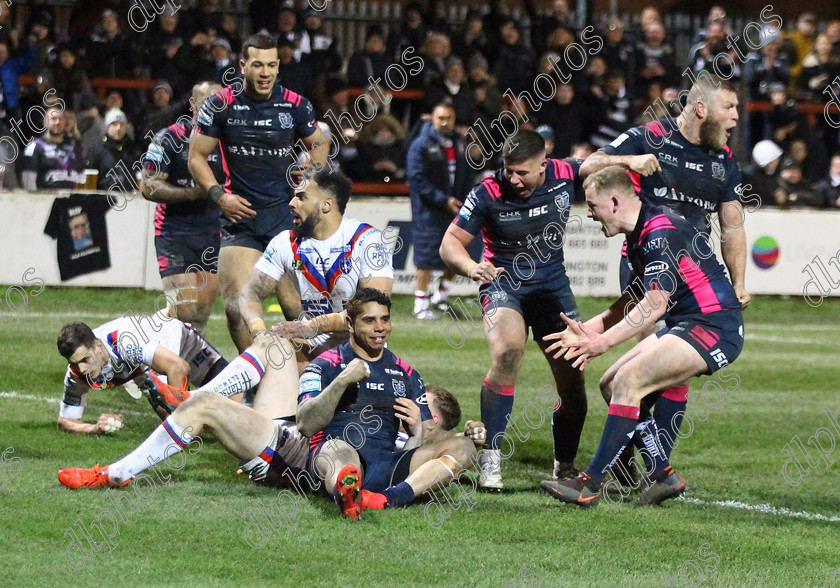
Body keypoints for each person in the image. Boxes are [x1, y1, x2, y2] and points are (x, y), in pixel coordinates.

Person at [540, 166, 744, 507]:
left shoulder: (658, 233)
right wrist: (591, 328)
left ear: (615, 202)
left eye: (592, 206)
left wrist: (602, 343)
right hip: (691, 323)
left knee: (628, 382)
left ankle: (588, 484)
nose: (588, 214)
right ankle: (662, 474)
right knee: (610, 384)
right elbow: (635, 297)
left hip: (714, 327)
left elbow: (654, 303)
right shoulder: (641, 233)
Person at [579, 74, 751, 475]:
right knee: (641, 371)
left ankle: (651, 465)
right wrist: (630, 161)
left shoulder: (724, 161)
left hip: (693, 277)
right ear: (701, 108)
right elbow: (589, 165)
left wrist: (739, 281)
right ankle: (631, 460)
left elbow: (732, 225)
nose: (736, 117)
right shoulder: (650, 136)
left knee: (666, 372)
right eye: (730, 107)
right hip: (648, 266)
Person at [439, 129, 587, 490]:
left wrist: (633, 160)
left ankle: (564, 464)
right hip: (504, 282)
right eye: (509, 171)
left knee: (573, 377)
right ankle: (490, 459)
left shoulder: (567, 173)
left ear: (544, 164)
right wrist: (471, 267)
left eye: (522, 172)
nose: (514, 179)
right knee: (507, 352)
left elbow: (601, 162)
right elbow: (450, 243)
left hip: (553, 286)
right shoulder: (487, 192)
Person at [188, 33, 327, 352]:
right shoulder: (220, 103)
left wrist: (312, 171)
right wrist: (219, 197)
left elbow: (320, 144)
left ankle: (310, 378)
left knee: (296, 309)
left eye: (271, 65)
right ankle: (256, 377)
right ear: (242, 66)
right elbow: (196, 157)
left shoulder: (295, 104)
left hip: (286, 219)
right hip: (241, 220)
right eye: (257, 65)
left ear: (279, 67)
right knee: (236, 309)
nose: (265, 72)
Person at [297, 289, 478, 519]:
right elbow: (305, 424)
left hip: (386, 465)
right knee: (339, 450)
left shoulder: (407, 373)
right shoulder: (324, 364)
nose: (380, 327)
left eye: (385, 319)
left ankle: (386, 499)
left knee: (464, 448)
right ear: (350, 324)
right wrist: (341, 381)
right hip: (335, 457)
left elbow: (420, 444)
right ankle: (348, 488)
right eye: (369, 320)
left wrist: (418, 431)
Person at [238, 167, 393, 366]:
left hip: (360, 349)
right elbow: (250, 294)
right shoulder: (284, 243)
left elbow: (374, 309)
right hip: (310, 350)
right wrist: (259, 332)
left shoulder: (368, 241)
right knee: (267, 354)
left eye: (301, 197)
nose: (292, 203)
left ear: (326, 204)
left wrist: (313, 326)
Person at [141, 82, 225, 335]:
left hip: (214, 233)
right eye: (208, 101)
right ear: (193, 104)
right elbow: (149, 187)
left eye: (220, 102)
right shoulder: (169, 137)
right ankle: (151, 353)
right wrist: (196, 193)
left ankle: (188, 370)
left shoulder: (227, 141)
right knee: (184, 311)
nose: (215, 107)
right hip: (174, 233)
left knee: (200, 314)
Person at [54, 316, 228, 436]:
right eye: (75, 363)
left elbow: (178, 367)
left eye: (85, 359)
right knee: (175, 423)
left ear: (98, 346)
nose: (82, 369)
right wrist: (95, 428)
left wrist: (183, 419)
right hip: (143, 368)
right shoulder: (77, 373)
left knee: (235, 404)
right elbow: (65, 421)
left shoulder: (123, 341)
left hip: (178, 341)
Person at [407, 103, 472, 318]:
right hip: (429, 210)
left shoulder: (460, 143)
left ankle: (441, 296)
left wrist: (464, 200)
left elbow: (467, 174)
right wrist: (444, 200)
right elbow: (417, 180)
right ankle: (420, 303)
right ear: (432, 119)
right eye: (441, 118)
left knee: (456, 253)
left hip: (456, 208)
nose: (445, 122)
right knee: (426, 256)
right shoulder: (420, 145)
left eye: (449, 118)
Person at [21, 105, 85, 191]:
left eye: (61, 119)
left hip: (72, 200)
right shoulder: (34, 147)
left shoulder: (74, 146)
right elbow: (28, 184)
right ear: (45, 121)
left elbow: (82, 175)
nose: (57, 122)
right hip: (46, 201)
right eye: (53, 119)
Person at [86, 107, 138, 191]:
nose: (118, 128)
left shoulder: (134, 149)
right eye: (114, 124)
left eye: (121, 124)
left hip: (131, 199)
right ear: (107, 127)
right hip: (104, 199)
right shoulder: (96, 150)